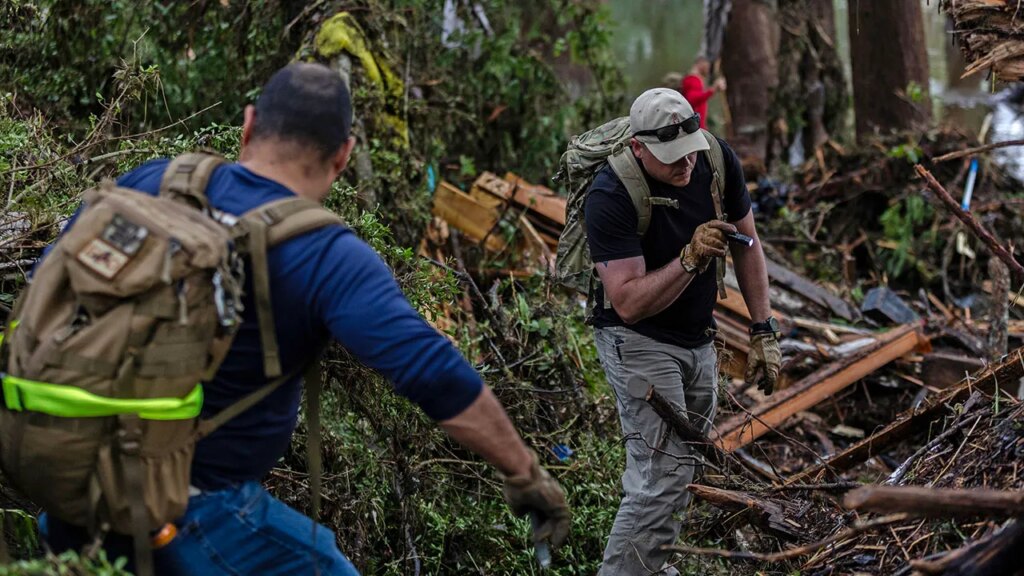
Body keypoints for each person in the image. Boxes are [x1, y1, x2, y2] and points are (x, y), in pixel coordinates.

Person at [38, 62, 570, 575]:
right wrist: (524, 472)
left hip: (65, 478)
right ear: (343, 156)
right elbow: (432, 371)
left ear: (248, 125)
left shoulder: (154, 182)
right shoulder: (327, 255)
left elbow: (49, 283)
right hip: (190, 511)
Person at [585, 88, 780, 575]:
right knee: (662, 476)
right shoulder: (611, 193)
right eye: (672, 159)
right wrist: (690, 260)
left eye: (690, 151)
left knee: (686, 463)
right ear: (638, 148)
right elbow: (627, 303)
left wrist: (763, 328)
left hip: (697, 337)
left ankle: (649, 566)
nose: (686, 166)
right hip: (638, 341)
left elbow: (748, 243)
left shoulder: (715, 159)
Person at [679, 57, 726, 129]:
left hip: (697, 126)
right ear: (701, 63)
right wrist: (714, 89)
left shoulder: (694, 79)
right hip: (695, 127)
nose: (709, 68)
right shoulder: (693, 79)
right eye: (708, 65)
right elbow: (693, 99)